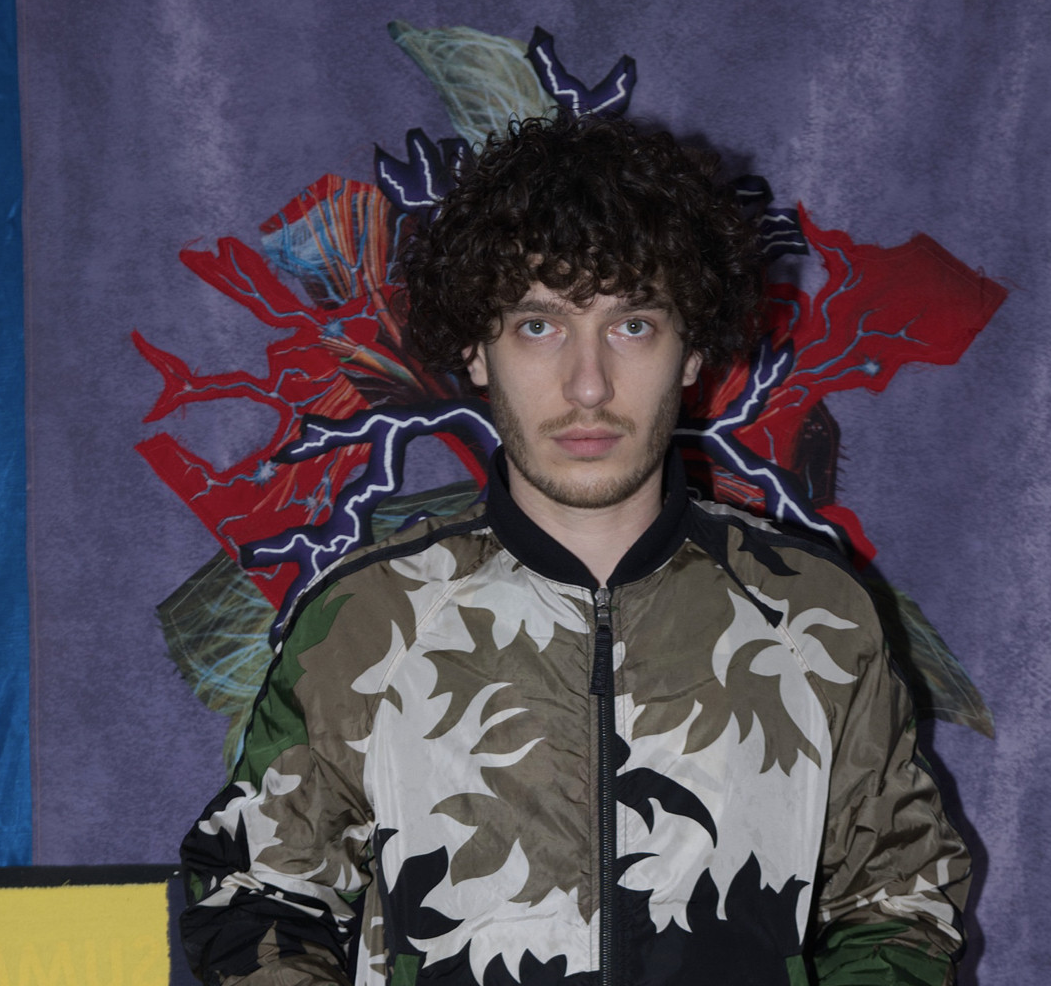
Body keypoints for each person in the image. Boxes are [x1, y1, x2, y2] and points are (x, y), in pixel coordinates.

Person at [179, 115, 971, 986]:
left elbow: (896, 902)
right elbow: (255, 898)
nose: (588, 385)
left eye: (632, 325)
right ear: (477, 351)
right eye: (538, 326)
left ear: (692, 352)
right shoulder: (366, 623)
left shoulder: (814, 615)